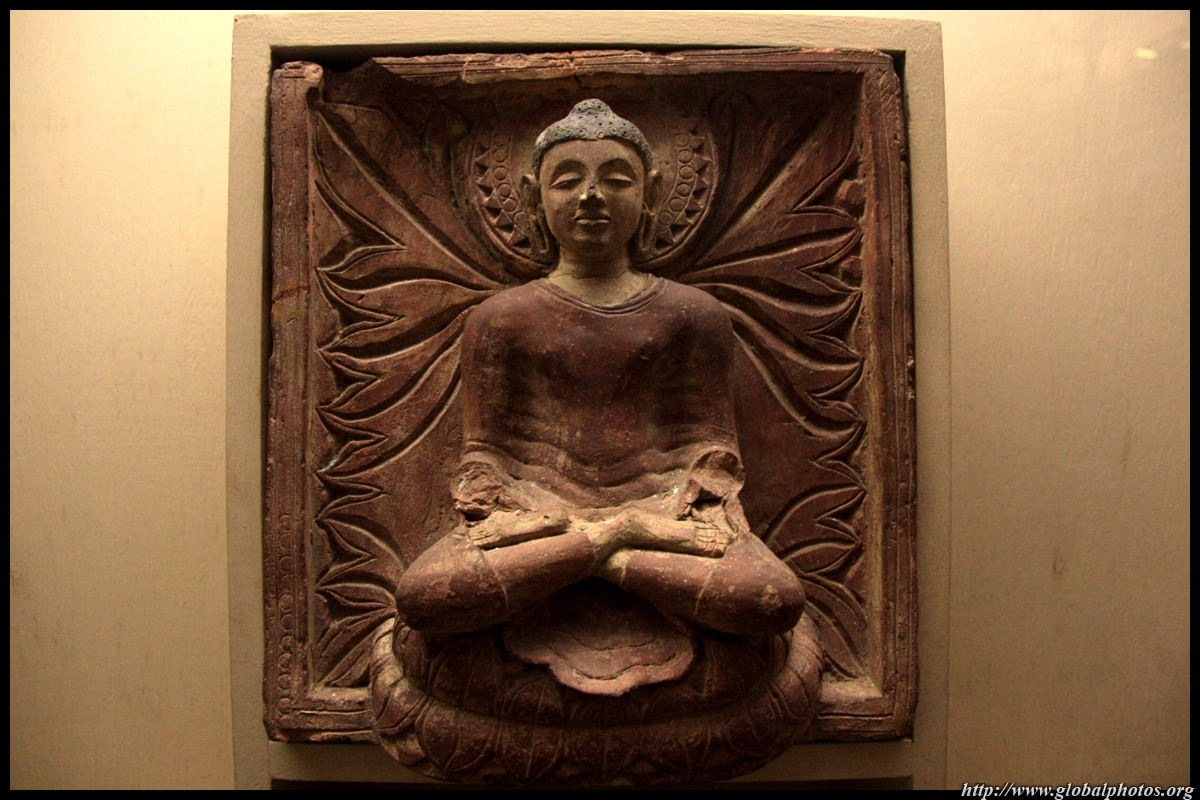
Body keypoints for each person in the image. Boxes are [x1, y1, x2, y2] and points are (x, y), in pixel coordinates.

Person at [393, 100, 805, 692]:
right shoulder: (499, 318)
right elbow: (484, 453)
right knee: (424, 595)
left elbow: (712, 449)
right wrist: (516, 509)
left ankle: (585, 559)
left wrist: (681, 507)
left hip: (661, 515)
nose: (590, 196)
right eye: (567, 181)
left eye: (616, 180)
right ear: (533, 198)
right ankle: (610, 547)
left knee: (771, 598)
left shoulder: (695, 314)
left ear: (652, 192)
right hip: (541, 516)